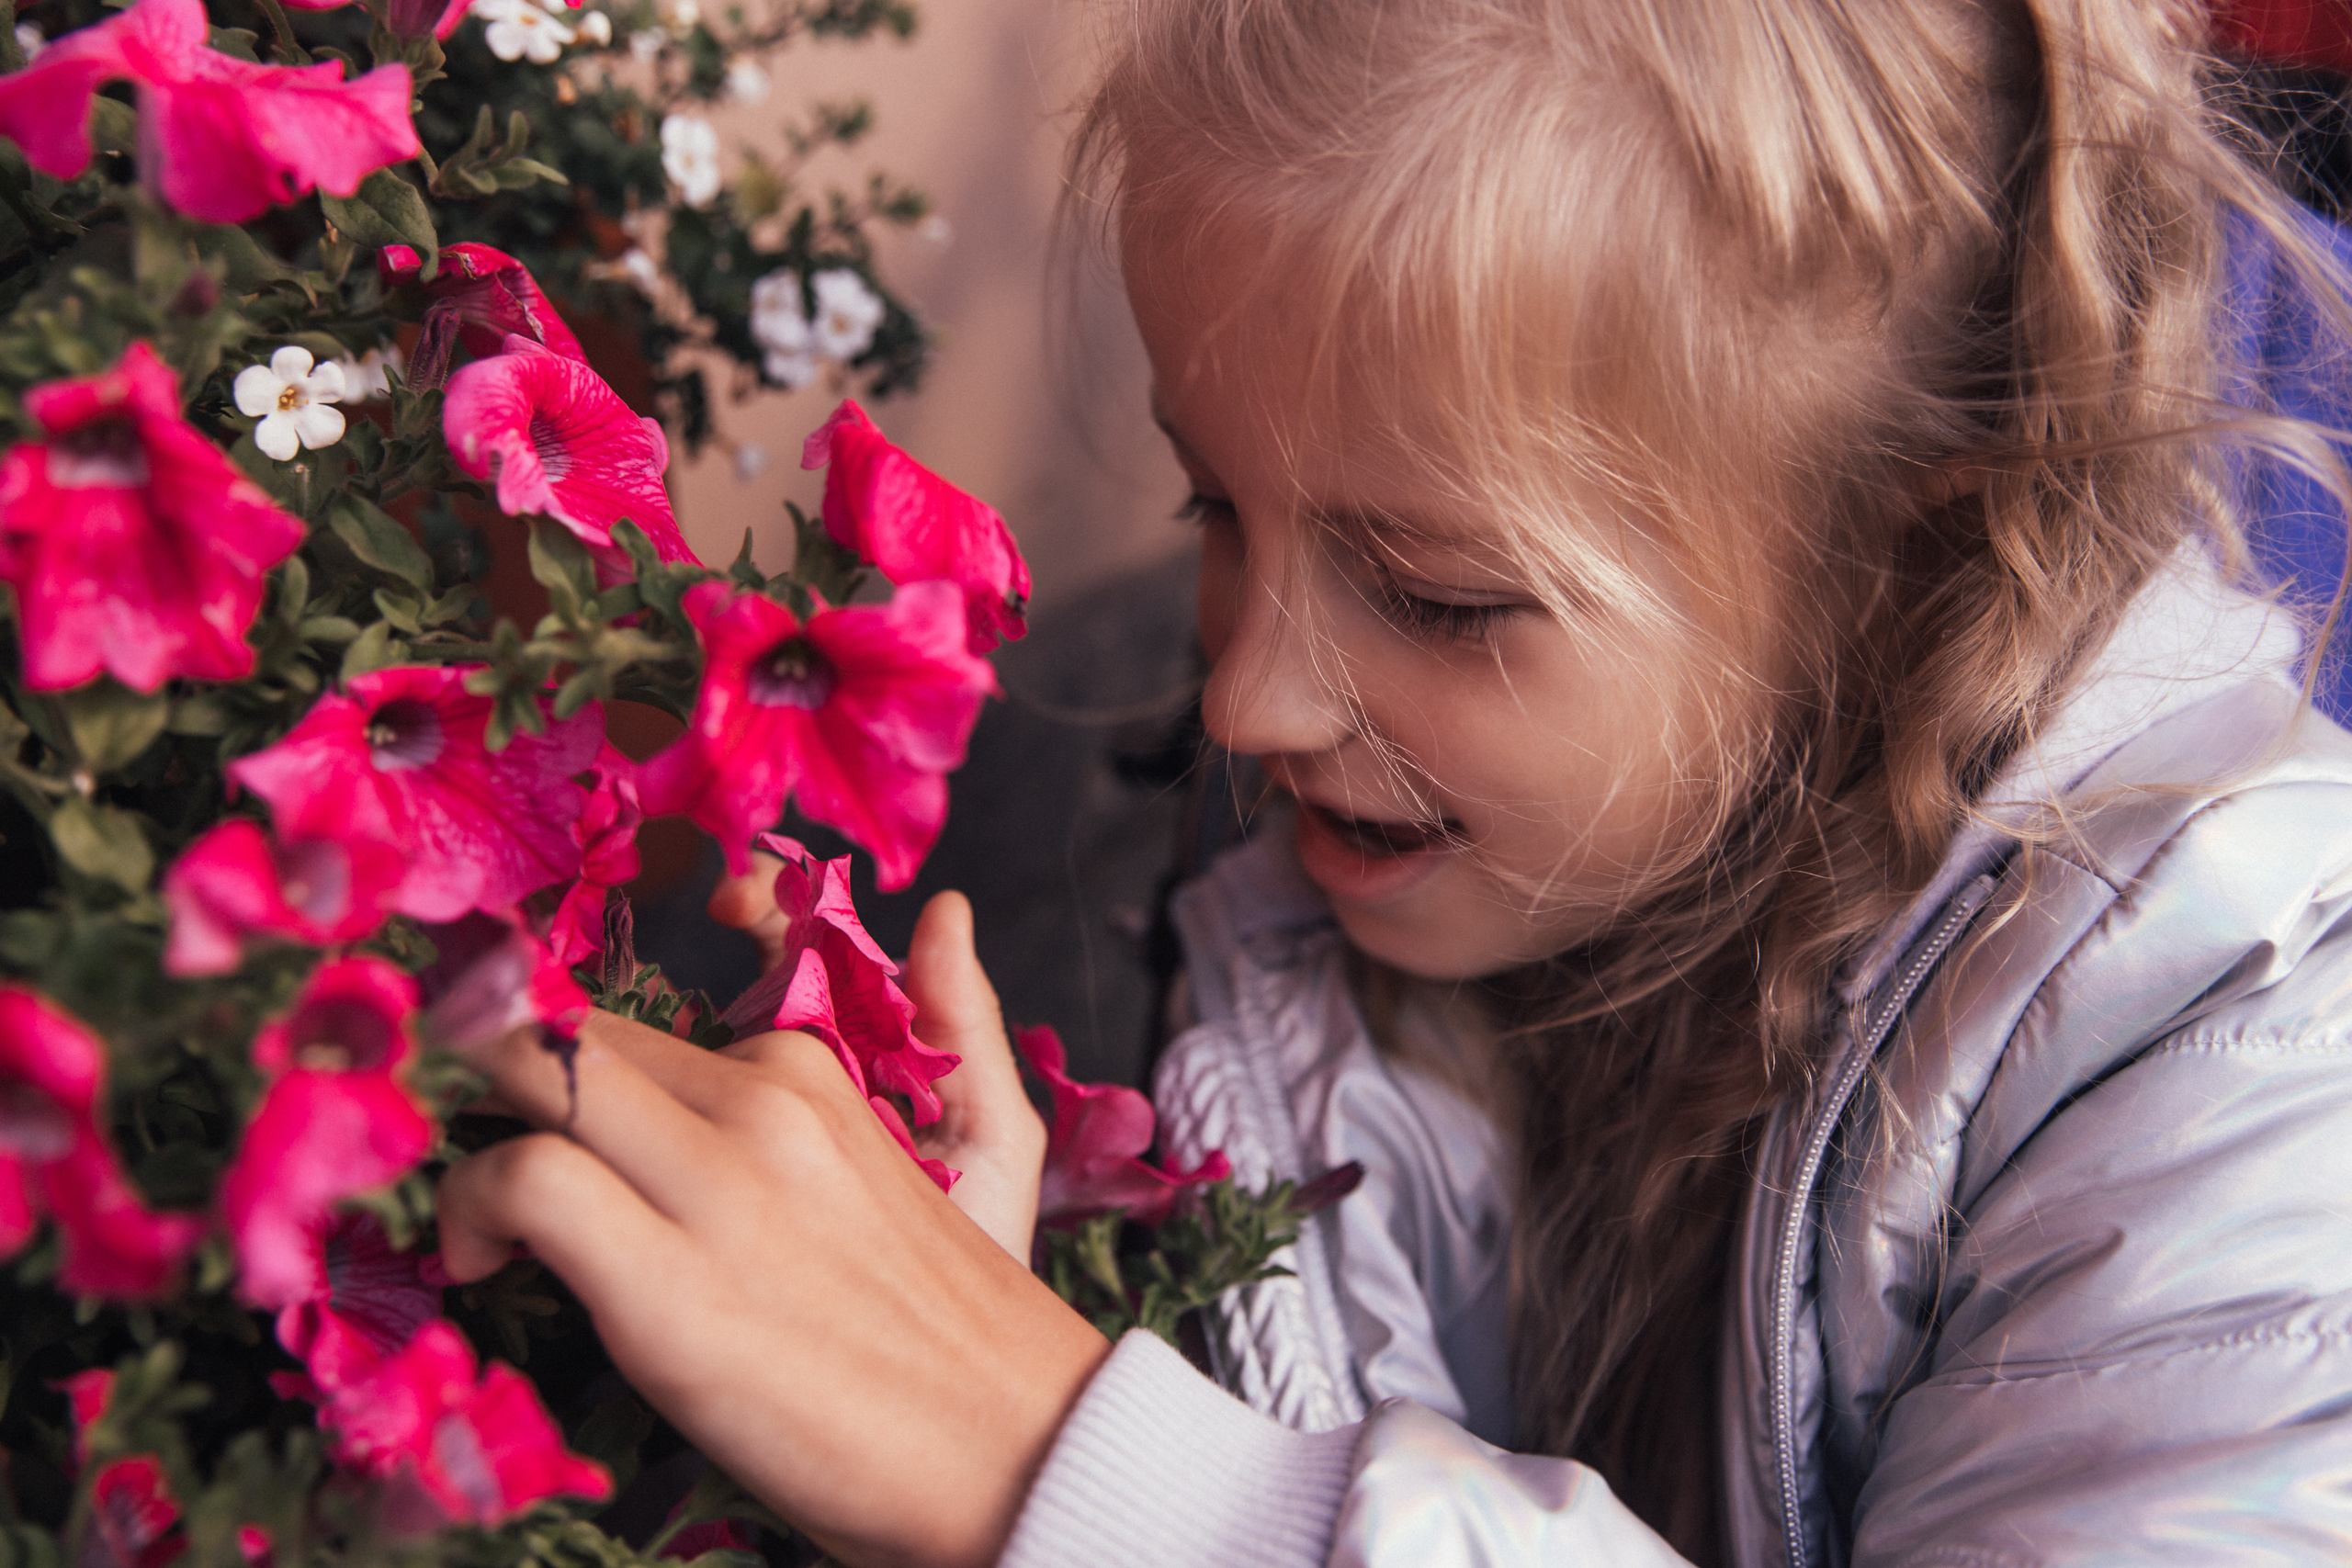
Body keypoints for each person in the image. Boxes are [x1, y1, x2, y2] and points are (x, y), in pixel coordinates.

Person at [431, 0, 2352, 1562]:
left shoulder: (2258, 1043)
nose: (1244, 696)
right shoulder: (1228, 883)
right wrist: (936, 1343)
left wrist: (1051, 1457)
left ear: (1903, 552)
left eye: (1436, 596)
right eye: (1214, 504)